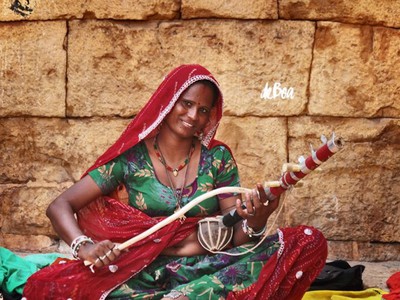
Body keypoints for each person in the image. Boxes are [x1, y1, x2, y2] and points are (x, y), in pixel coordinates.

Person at [20, 64, 327, 300]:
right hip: (141, 272)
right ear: (168, 102)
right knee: (60, 288)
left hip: (211, 268)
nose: (193, 115)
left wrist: (259, 217)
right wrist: (84, 247)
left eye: (203, 110)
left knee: (308, 240)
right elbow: (60, 205)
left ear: (209, 118)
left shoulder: (217, 159)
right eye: (186, 103)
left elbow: (237, 236)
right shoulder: (130, 160)